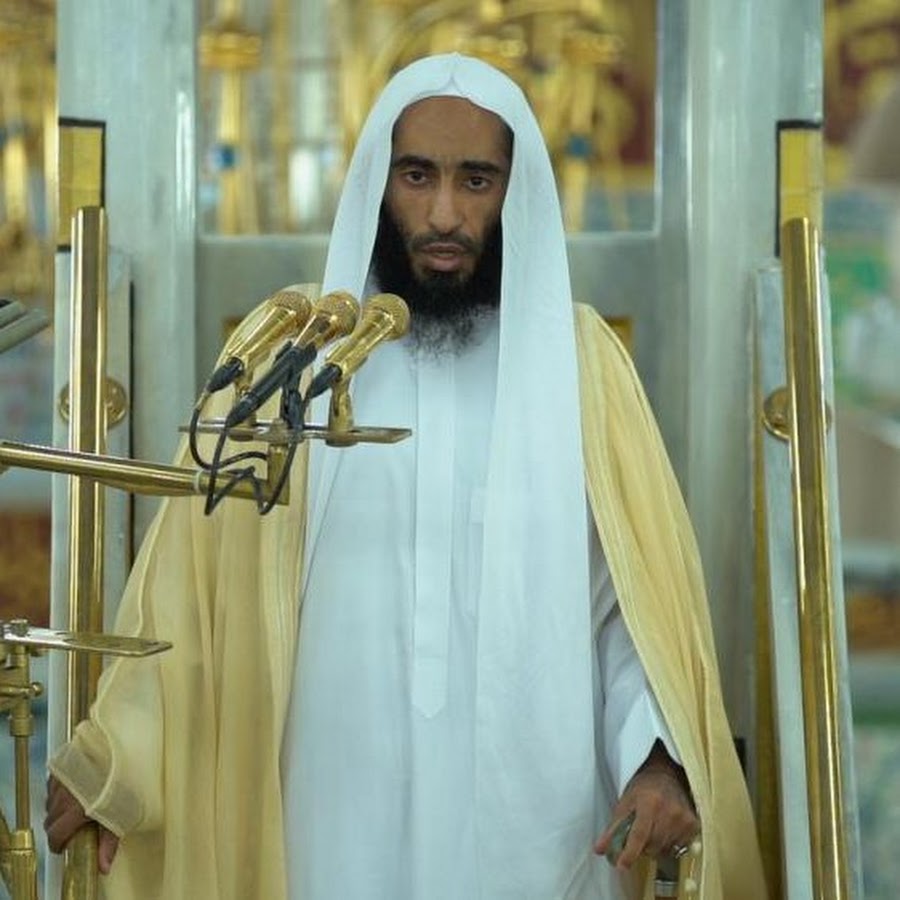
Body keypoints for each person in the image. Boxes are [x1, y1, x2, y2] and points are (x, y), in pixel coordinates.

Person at [45, 54, 767, 899]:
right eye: (417, 176)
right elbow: (191, 596)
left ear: (516, 192)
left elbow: (628, 617)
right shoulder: (292, 353)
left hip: (537, 831)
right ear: (377, 184)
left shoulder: (582, 370)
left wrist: (657, 758)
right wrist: (118, 761)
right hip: (327, 820)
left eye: (477, 180)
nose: (445, 214)